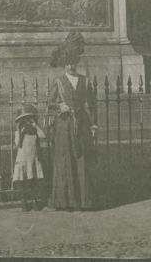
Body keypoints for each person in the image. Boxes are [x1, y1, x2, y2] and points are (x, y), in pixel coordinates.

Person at [47, 32, 98, 210]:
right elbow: (49, 105)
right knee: (65, 161)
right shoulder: (59, 82)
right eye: (68, 62)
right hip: (64, 125)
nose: (71, 65)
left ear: (77, 62)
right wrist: (60, 106)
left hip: (81, 124)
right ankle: (66, 202)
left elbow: (92, 104)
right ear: (64, 63)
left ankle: (84, 201)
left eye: (74, 62)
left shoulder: (84, 80)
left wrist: (94, 124)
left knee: (81, 161)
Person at [12, 103, 46, 211]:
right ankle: (24, 202)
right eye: (25, 119)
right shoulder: (19, 132)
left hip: (32, 159)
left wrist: (35, 126)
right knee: (22, 181)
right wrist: (19, 131)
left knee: (33, 181)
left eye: (29, 119)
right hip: (23, 159)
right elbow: (17, 144)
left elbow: (43, 136)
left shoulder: (35, 131)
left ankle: (35, 201)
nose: (27, 122)